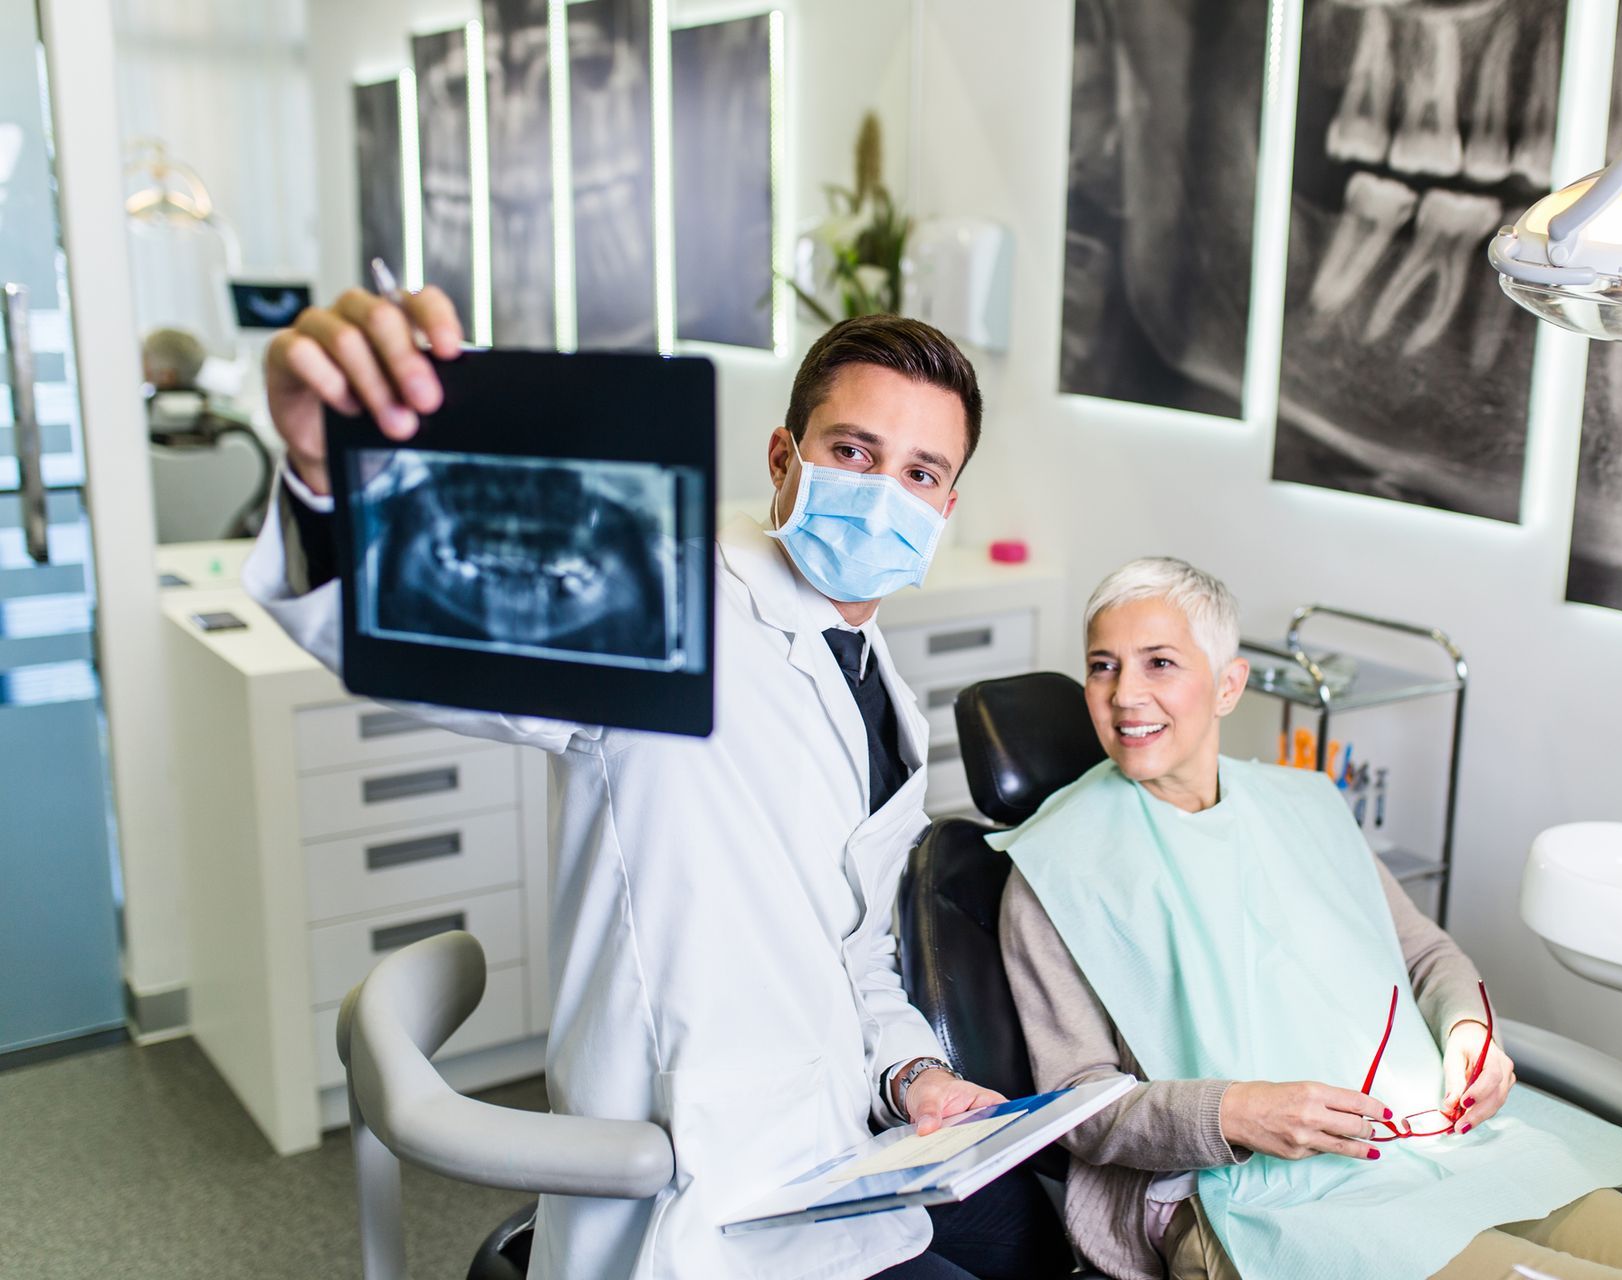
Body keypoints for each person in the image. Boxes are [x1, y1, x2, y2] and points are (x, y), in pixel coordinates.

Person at [250, 286, 1069, 1280]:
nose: (886, 492)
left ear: (944, 505)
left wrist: (913, 1072)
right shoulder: (672, 606)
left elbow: (854, 950)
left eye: (921, 472)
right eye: (854, 452)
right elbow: (443, 626)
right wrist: (318, 473)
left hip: (832, 1165)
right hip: (686, 1187)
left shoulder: (883, 693)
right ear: (785, 460)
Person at [995, 557, 1622, 1280]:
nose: (1125, 693)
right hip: (1250, 1205)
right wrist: (1236, 1112)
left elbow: (1425, 954)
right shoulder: (1055, 872)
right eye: (1103, 665)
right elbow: (1079, 1109)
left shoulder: (1305, 807)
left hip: (1430, 1153)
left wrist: (1467, 1030)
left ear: (1229, 686)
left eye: (1159, 662)